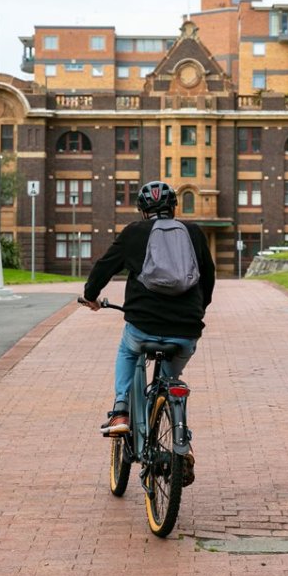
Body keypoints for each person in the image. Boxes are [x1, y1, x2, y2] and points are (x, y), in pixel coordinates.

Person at [81, 180, 215, 440]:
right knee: (169, 383)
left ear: (143, 211)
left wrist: (91, 297)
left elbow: (104, 267)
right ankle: (177, 435)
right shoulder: (194, 232)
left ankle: (120, 410)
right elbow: (208, 277)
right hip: (186, 330)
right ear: (174, 208)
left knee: (127, 350)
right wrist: (199, 309)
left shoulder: (134, 232)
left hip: (143, 326)